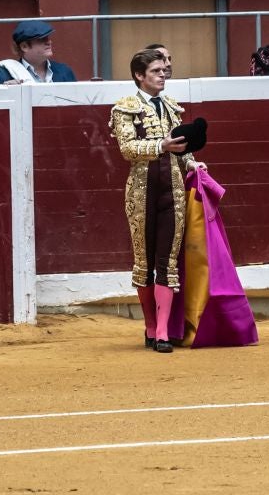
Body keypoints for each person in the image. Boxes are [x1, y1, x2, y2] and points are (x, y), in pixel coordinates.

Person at [109, 45, 196, 352]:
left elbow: (182, 149)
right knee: (144, 263)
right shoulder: (124, 107)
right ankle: (149, 326)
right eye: (156, 71)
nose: (163, 75)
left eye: (164, 70)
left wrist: (193, 163)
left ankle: (161, 332)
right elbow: (127, 149)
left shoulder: (172, 107)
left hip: (172, 192)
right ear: (139, 76)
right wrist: (162, 145)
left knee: (167, 262)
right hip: (141, 194)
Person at [0, 19, 79, 84]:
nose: (49, 42)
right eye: (42, 39)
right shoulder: (5, 73)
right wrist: (8, 92)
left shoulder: (64, 71)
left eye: (48, 38)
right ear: (24, 46)